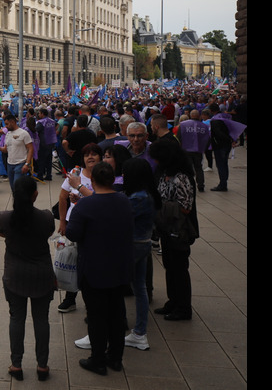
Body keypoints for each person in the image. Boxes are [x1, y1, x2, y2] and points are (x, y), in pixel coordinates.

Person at [66, 162, 133, 376]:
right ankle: (115, 357)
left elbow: (73, 234)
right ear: (113, 179)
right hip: (119, 267)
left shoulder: (86, 206)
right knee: (116, 313)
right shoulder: (124, 201)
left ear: (92, 180)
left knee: (96, 317)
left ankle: (98, 360)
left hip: (94, 269)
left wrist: (78, 202)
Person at [0, 177, 55, 382]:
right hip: (42, 275)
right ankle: (42, 366)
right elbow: (49, 233)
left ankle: (16, 364)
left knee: (16, 319)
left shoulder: (4, 218)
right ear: (35, 195)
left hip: (15, 275)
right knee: (41, 320)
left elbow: (1, 233)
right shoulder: (47, 218)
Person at [150, 139, 199, 321]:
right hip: (166, 227)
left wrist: (160, 206)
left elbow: (185, 207)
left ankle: (183, 307)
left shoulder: (182, 177)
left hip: (179, 230)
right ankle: (173, 300)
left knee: (179, 268)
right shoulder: (164, 173)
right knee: (170, 266)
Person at [56, 143, 104, 313]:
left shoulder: (104, 176)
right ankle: (70, 298)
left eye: (94, 154)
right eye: (86, 155)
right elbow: (62, 198)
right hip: (74, 223)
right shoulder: (75, 175)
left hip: (95, 226)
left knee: (90, 262)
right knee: (72, 259)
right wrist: (62, 222)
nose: (90, 157)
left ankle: (92, 301)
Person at [121, 159, 159, 351]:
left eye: (125, 173)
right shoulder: (147, 194)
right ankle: (139, 332)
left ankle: (116, 329)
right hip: (142, 244)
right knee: (140, 288)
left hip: (133, 246)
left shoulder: (139, 198)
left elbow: (119, 215)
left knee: (116, 285)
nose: (124, 176)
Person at [0, 113, 33, 191]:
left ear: (13, 122)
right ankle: (17, 202)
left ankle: (21, 202)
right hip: (10, 164)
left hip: (20, 164)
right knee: (13, 188)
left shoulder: (23, 133)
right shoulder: (8, 134)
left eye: (7, 124)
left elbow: (30, 148)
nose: (6, 126)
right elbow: (6, 149)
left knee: (17, 187)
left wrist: (27, 164)